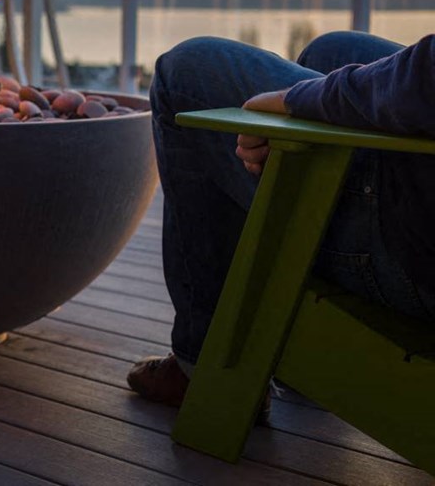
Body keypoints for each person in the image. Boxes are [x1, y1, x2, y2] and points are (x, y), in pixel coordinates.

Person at [126, 30, 435, 410]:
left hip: (414, 248)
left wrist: (295, 104)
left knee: (186, 70)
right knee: (333, 52)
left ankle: (205, 367)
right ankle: (312, 353)